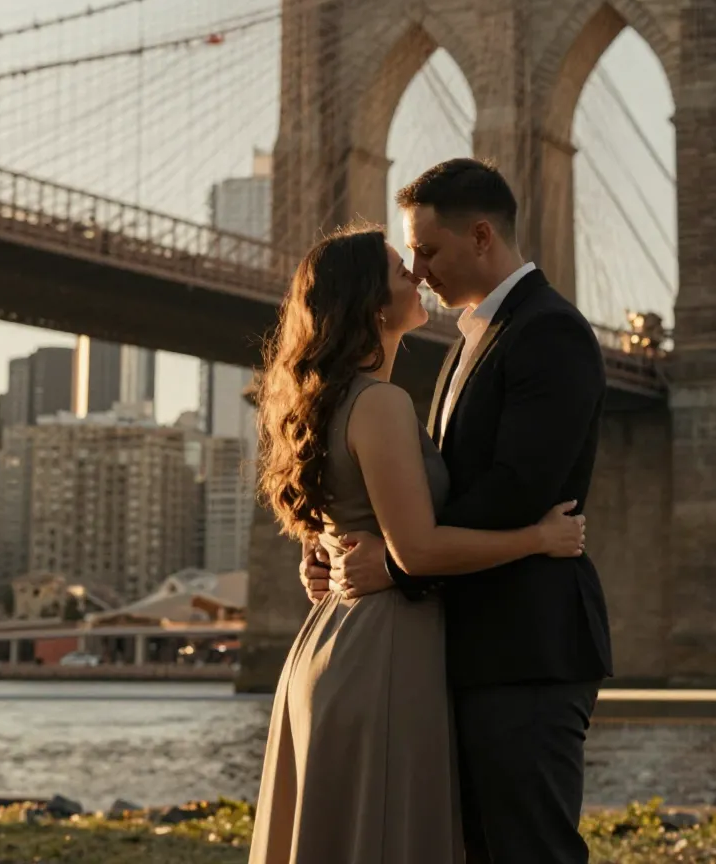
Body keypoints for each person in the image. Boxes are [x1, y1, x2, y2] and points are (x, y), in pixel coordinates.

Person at [248, 221, 587, 864]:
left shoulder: (327, 401)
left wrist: (321, 550)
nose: (420, 275)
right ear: (374, 304)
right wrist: (538, 537)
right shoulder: (380, 404)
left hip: (332, 642)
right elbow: (419, 552)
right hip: (384, 649)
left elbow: (342, 515)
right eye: (403, 270)